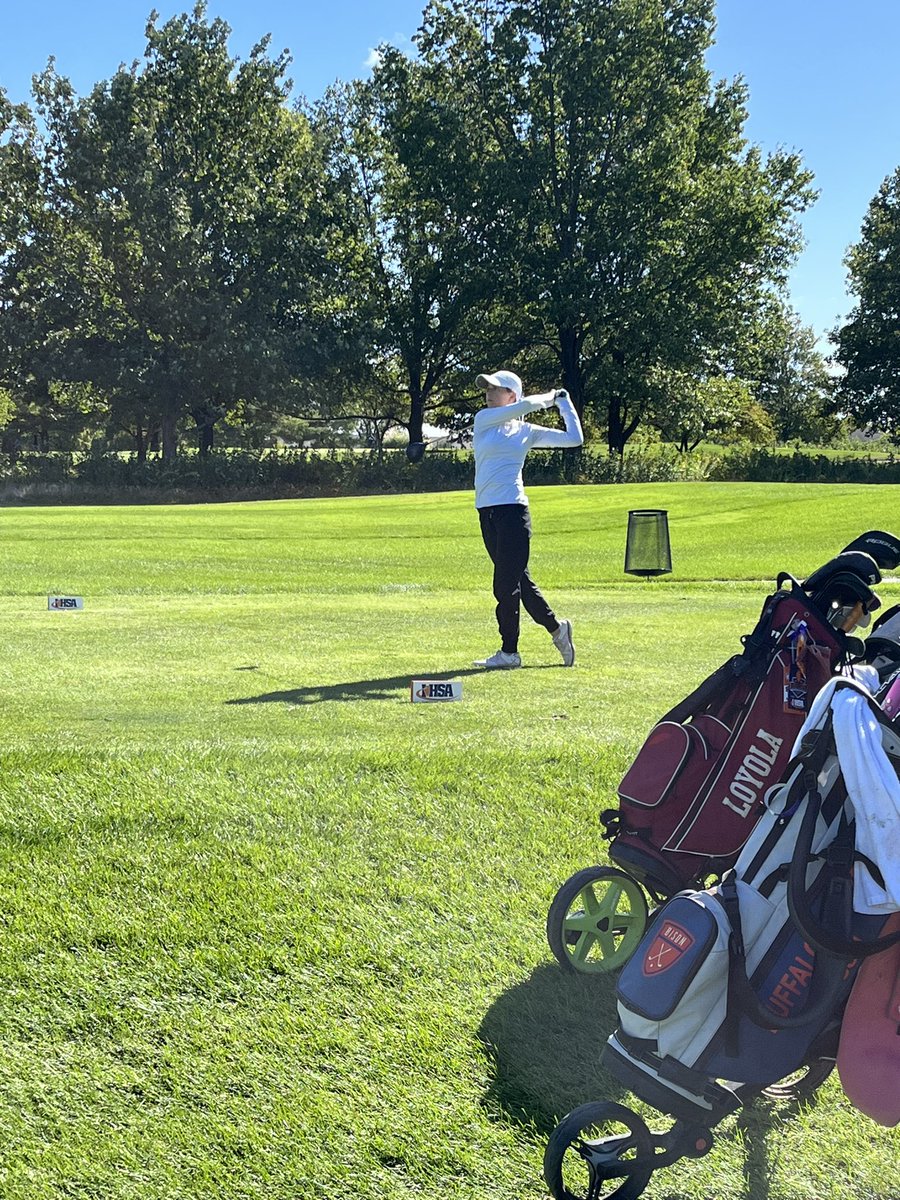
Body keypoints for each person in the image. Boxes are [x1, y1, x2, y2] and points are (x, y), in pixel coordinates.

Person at [472, 369, 584, 670]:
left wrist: (563, 403)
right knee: (520, 582)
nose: (490, 393)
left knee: (504, 586)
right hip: (487, 512)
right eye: (488, 389)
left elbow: (574, 439)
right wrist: (547, 399)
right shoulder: (482, 421)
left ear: (512, 395)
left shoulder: (526, 431)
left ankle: (509, 652)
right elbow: (523, 408)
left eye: (497, 388)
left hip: (513, 513)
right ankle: (559, 631)